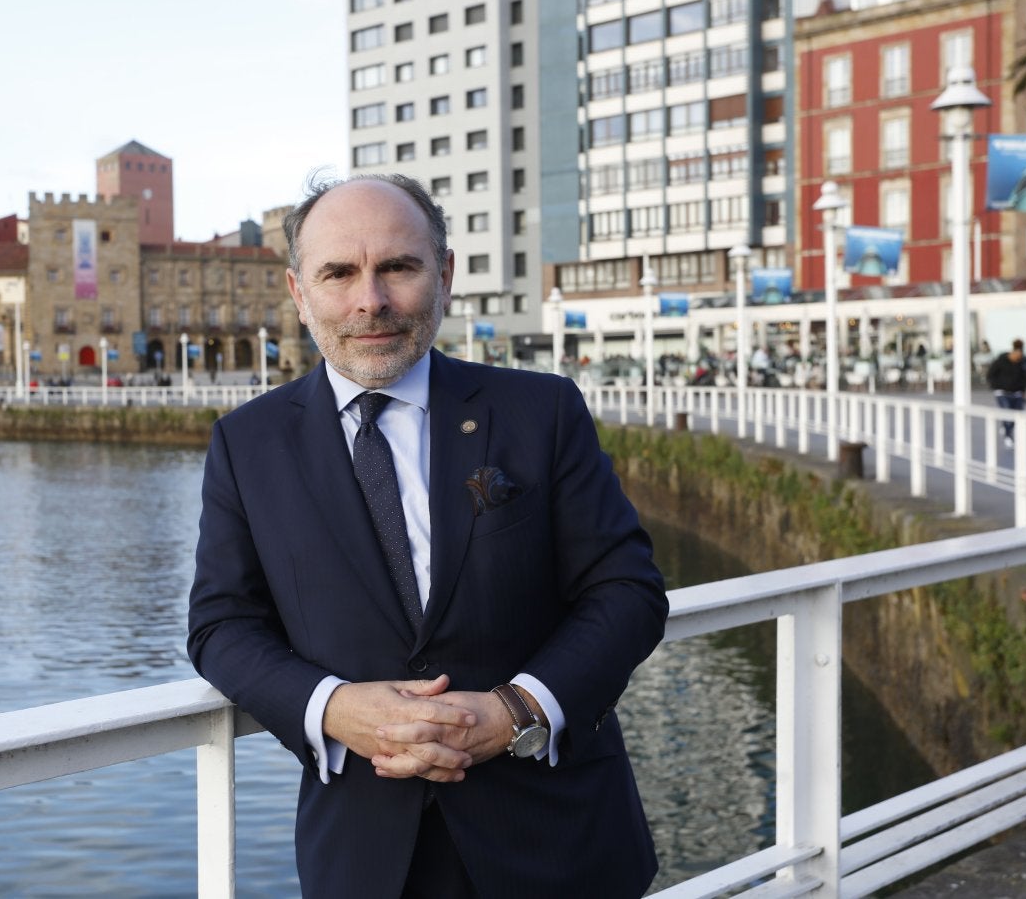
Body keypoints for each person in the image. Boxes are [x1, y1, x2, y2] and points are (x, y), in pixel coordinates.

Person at [187, 173, 669, 898]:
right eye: (340, 272)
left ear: (443, 273)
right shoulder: (245, 444)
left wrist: (517, 709)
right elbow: (222, 625)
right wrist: (333, 707)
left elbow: (627, 591)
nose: (370, 300)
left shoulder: (542, 412)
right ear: (298, 290)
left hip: (559, 841)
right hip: (366, 856)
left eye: (398, 268)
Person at [986, 339, 1026, 447]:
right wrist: (996, 386)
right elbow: (990, 375)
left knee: (1017, 415)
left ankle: (1007, 426)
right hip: (1002, 392)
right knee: (1007, 413)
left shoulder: (1021, 364)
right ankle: (1008, 436)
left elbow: (1024, 378)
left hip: (1016, 393)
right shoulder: (1000, 361)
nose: (1018, 359)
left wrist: (1023, 391)